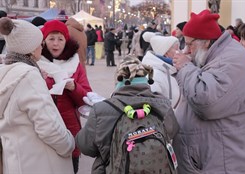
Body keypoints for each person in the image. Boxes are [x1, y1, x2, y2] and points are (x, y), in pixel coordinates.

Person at [171, 9, 245, 173]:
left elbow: (208, 102)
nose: (187, 50)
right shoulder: (216, 54)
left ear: (205, 42)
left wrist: (185, 67)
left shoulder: (232, 61)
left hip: (227, 161)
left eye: (190, 44)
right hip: (216, 157)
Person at [75, 56, 179, 173]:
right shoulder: (163, 105)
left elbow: (85, 146)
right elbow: (173, 131)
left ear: (119, 79)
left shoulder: (101, 110)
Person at [0, 17, 75, 174]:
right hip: (39, 162)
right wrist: (68, 145)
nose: (42, 47)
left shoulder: (7, 72)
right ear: (31, 48)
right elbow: (49, 126)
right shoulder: (28, 76)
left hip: (16, 160)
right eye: (40, 44)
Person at [38, 20, 92, 174]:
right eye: (51, 39)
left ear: (66, 41)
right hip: (43, 129)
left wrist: (74, 87)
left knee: (70, 168)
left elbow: (86, 98)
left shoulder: (75, 64)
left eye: (60, 39)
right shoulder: (36, 63)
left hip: (70, 128)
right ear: (44, 41)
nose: (56, 43)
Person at [142, 32, 180, 108]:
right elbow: (153, 104)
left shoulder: (171, 69)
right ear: (166, 53)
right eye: (177, 49)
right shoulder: (154, 75)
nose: (180, 51)